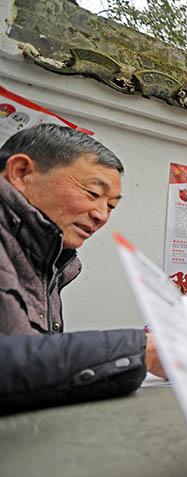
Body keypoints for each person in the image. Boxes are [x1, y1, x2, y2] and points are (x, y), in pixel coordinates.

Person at [0, 124, 164, 415]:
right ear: (22, 173)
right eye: (92, 193)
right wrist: (142, 350)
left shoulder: (51, 259)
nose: (101, 215)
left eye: (111, 206)